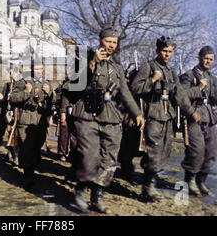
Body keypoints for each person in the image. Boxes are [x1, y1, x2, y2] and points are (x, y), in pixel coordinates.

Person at [62, 26, 145, 214]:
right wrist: (92, 63)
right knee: (89, 156)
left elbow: (125, 93)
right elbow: (74, 87)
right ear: (100, 41)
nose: (111, 45)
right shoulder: (82, 60)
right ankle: (81, 191)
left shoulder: (116, 68)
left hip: (110, 115)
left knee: (109, 158)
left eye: (114, 42)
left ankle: (97, 195)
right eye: (108, 41)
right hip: (86, 114)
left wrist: (136, 113)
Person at [131, 36, 201, 201]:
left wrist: (191, 111)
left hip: (167, 116)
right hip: (152, 115)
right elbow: (135, 88)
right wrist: (152, 80)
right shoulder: (147, 67)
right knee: (154, 151)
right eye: (164, 51)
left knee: (164, 151)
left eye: (170, 52)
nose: (167, 54)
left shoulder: (171, 72)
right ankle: (148, 187)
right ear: (157, 51)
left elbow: (181, 96)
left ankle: (150, 183)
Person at [9, 58, 56, 190]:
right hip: (25, 119)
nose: (38, 71)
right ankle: (27, 175)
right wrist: (26, 93)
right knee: (26, 148)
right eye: (36, 69)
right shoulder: (24, 82)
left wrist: (50, 93)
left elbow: (54, 101)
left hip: (40, 120)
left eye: (41, 69)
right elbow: (12, 98)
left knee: (36, 148)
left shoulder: (47, 83)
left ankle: (30, 170)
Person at [179, 45, 217, 196]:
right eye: (206, 59)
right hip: (193, 116)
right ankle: (190, 180)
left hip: (210, 117)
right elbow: (181, 96)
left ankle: (201, 181)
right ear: (199, 58)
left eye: (211, 60)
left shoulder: (212, 78)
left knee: (211, 151)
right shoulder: (189, 76)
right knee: (196, 150)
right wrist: (198, 89)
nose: (208, 62)